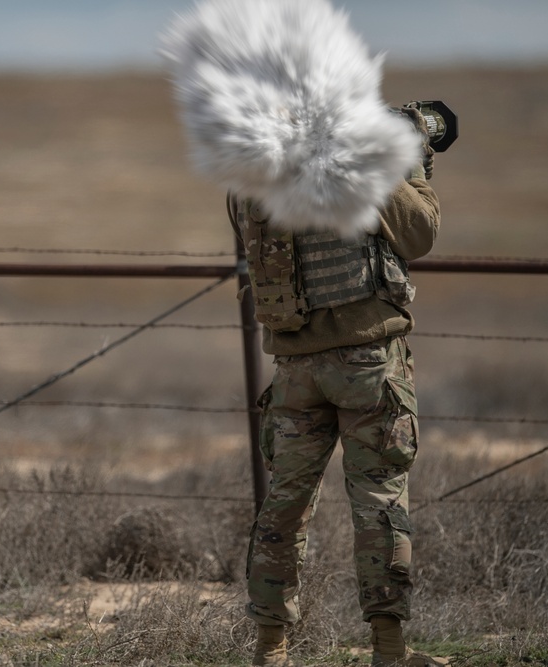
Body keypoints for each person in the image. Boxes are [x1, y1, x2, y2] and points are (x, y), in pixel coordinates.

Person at [229, 108, 445, 667]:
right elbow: (418, 234)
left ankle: (271, 650)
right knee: (378, 501)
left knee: (285, 505)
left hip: (296, 368)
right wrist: (411, 167)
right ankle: (389, 651)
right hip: (367, 362)